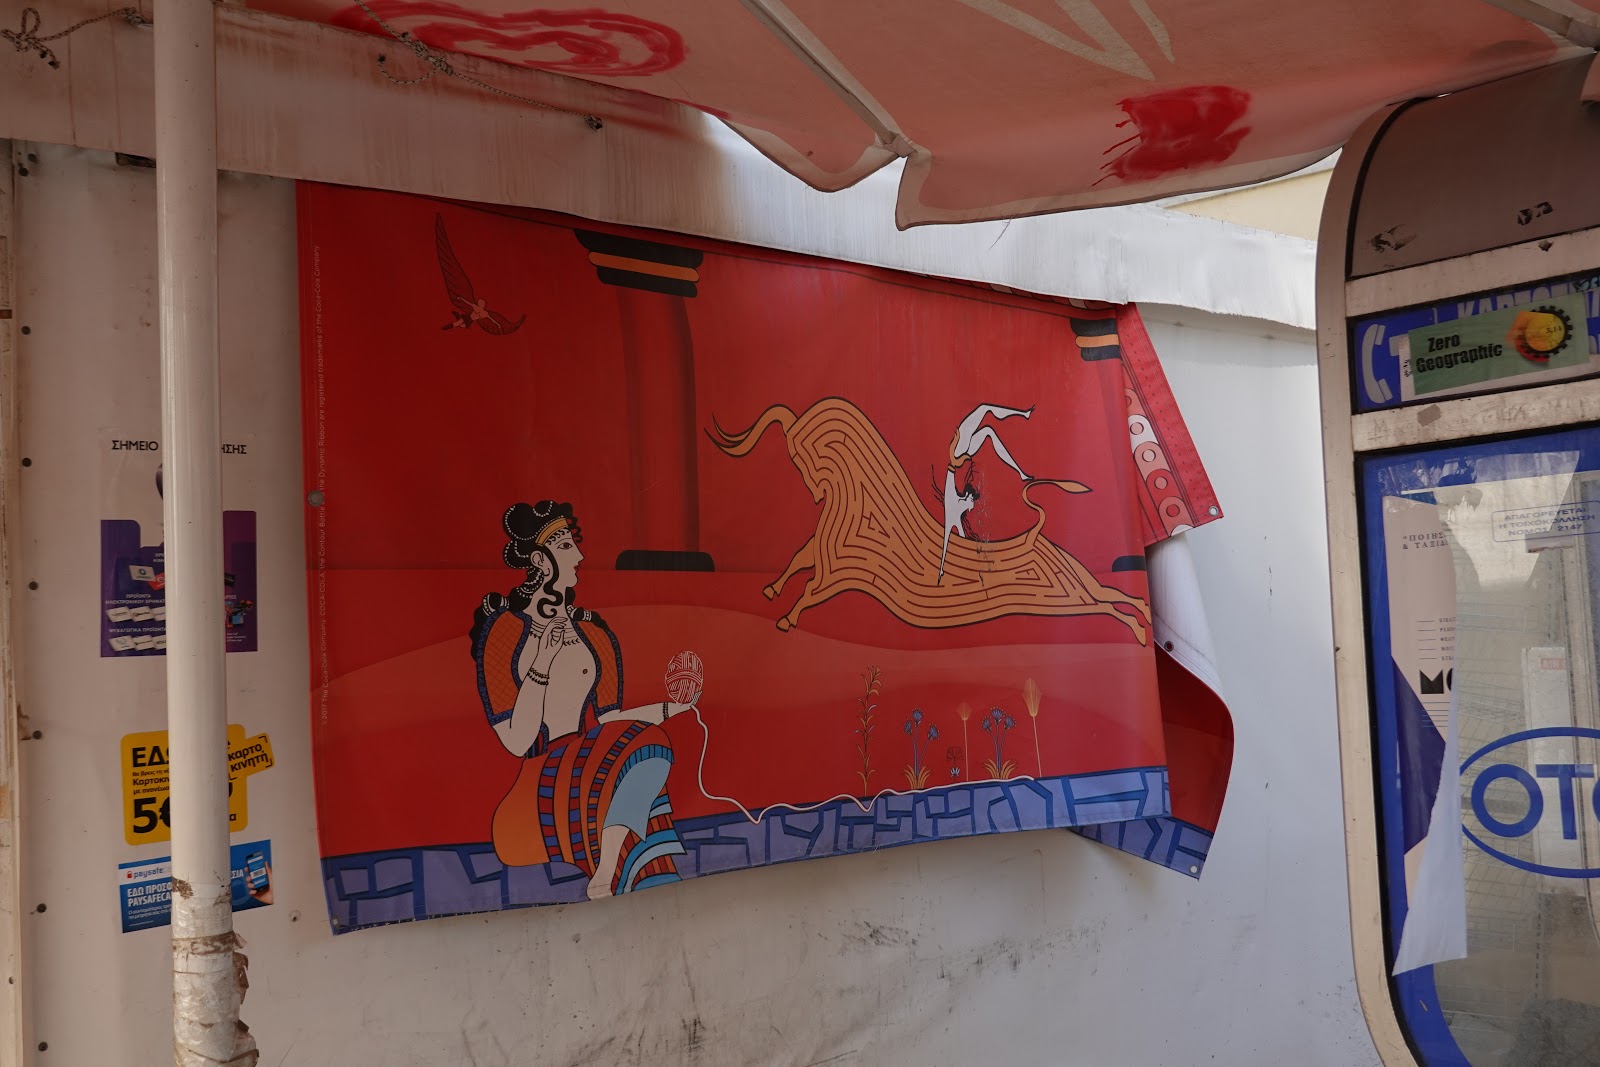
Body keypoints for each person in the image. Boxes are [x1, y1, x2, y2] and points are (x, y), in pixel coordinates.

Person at [470, 501, 691, 899]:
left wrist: (672, 707)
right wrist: (541, 663)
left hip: (594, 755)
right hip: (540, 776)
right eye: (566, 546)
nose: (579, 556)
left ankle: (609, 867)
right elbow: (516, 741)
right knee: (649, 749)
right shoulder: (506, 631)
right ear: (541, 560)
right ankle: (612, 868)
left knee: (651, 746)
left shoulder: (593, 632)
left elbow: (611, 720)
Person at [941, 404, 1034, 580]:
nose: (971, 505)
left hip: (960, 450)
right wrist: (957, 451)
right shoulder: (956, 508)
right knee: (985, 416)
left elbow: (953, 459)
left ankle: (1021, 471)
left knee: (988, 425)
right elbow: (954, 459)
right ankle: (1023, 416)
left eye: (970, 502)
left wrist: (956, 448)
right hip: (961, 450)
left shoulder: (953, 504)